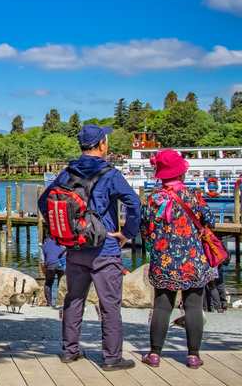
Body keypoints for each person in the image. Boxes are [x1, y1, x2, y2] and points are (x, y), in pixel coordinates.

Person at [39, 124, 141, 371]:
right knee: (109, 304)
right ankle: (111, 357)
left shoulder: (67, 173)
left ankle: (69, 350)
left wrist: (62, 232)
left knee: (74, 299)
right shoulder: (111, 174)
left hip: (75, 247)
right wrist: (126, 234)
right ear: (102, 144)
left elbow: (44, 202)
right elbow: (135, 205)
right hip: (104, 247)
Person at [141, 149, 215, 369]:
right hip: (193, 260)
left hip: (164, 261)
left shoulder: (152, 199)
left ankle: (154, 354)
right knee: (193, 306)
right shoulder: (194, 197)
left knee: (162, 306)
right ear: (181, 173)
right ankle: (193, 355)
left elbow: (145, 230)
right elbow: (208, 221)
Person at [41, 237, 66, 307]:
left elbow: (42, 261)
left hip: (50, 266)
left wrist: (44, 271)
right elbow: (65, 252)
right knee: (59, 282)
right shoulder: (61, 243)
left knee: (48, 284)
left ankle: (49, 303)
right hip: (61, 265)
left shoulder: (44, 246)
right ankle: (59, 301)